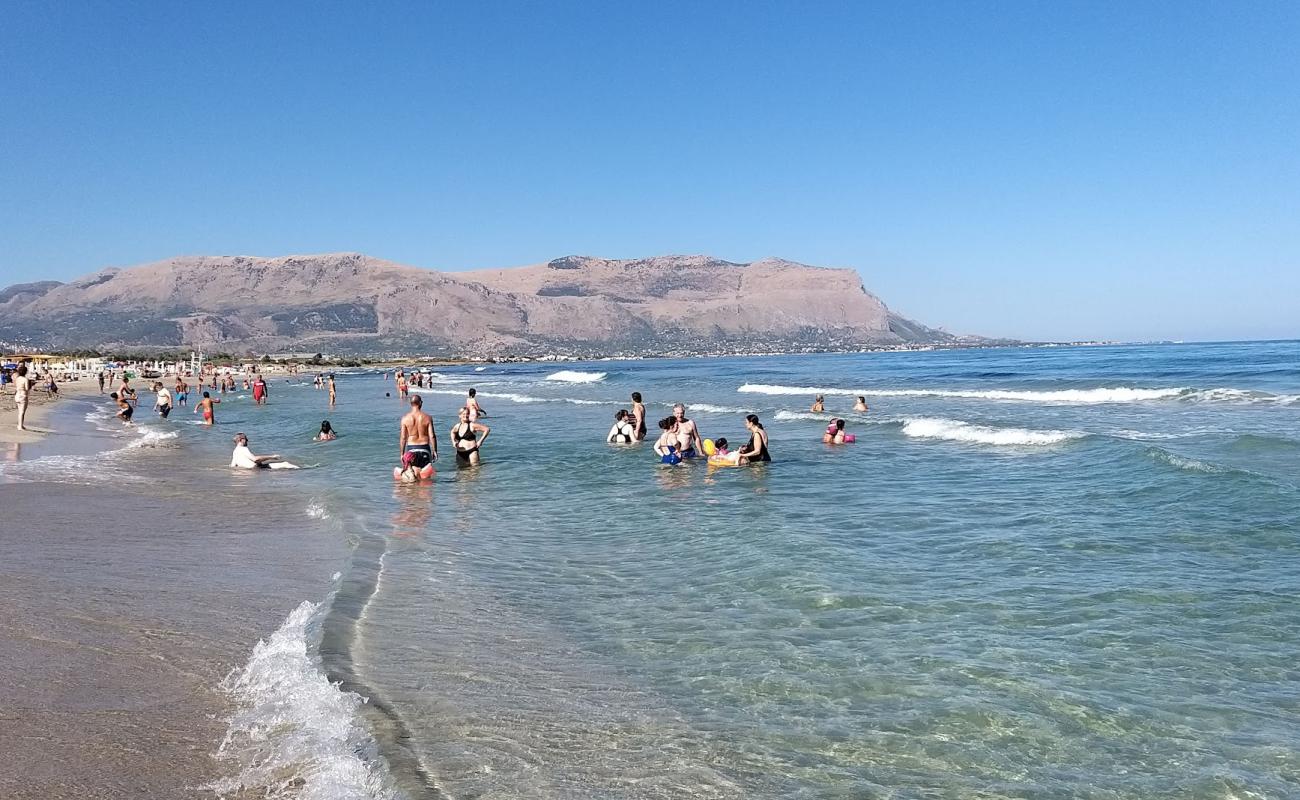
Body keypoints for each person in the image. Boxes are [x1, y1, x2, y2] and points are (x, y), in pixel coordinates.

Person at [398, 394, 438, 473]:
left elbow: (403, 437)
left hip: (411, 449)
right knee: (425, 475)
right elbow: (432, 436)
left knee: (413, 472)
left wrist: (402, 454)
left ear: (411, 404)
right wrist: (435, 451)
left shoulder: (405, 418)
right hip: (425, 448)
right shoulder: (427, 417)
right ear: (420, 403)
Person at [230, 433, 298, 469]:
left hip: (250, 471)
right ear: (242, 440)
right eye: (246, 439)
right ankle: (303, 470)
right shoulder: (243, 449)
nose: (247, 441)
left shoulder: (235, 451)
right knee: (285, 464)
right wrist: (272, 457)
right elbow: (255, 459)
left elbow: (233, 466)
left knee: (270, 464)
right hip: (256, 470)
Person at [13, 364, 31, 431]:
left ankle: (21, 425)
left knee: (20, 411)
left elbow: (16, 386)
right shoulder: (25, 379)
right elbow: (26, 388)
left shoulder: (17, 378)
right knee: (22, 412)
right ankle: (20, 426)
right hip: (23, 396)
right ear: (25, 372)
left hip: (17, 395)